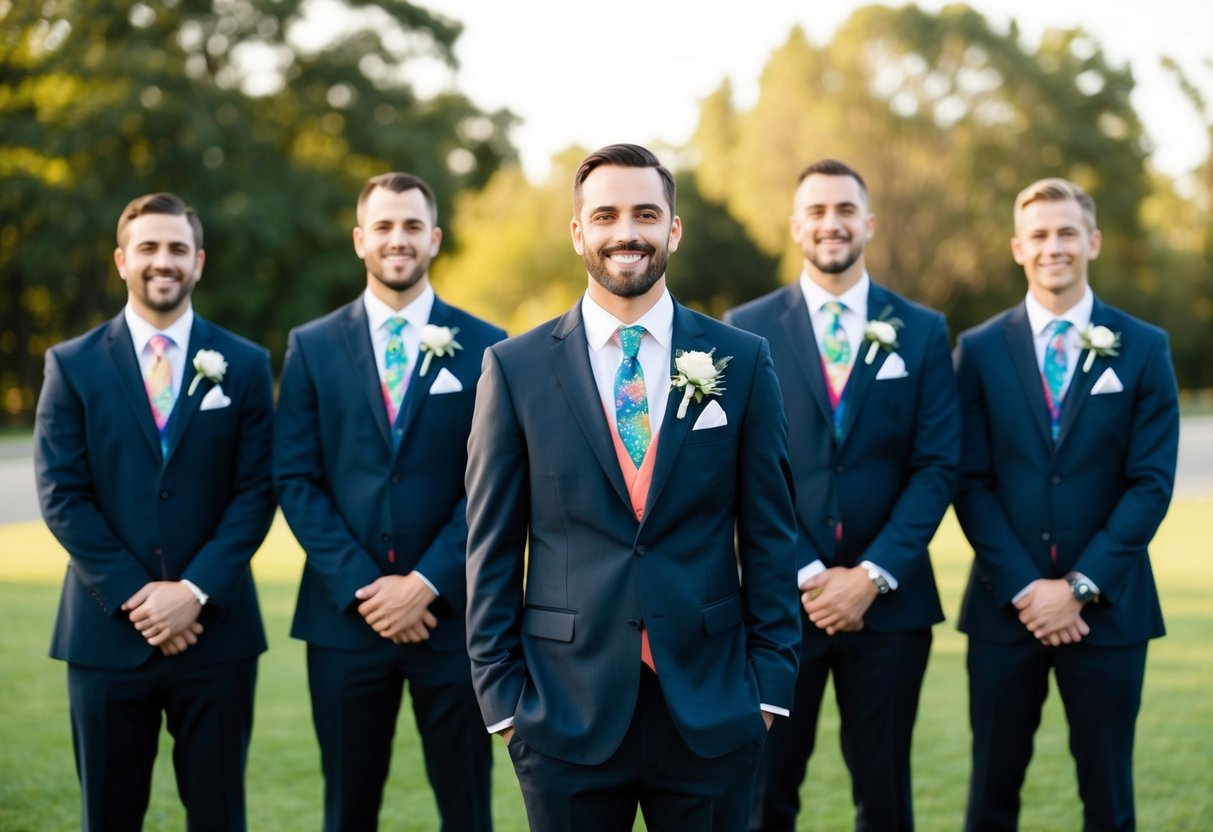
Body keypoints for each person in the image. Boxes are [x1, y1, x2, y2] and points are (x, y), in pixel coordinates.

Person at [464, 143, 800, 832]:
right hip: (562, 711)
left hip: (712, 707)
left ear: (673, 230)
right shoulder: (514, 369)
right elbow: (490, 546)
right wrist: (504, 704)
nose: (627, 232)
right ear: (577, 232)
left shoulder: (740, 360)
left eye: (645, 214)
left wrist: (767, 691)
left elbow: (771, 534)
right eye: (606, 215)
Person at [725, 159, 960, 831]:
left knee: (885, 796)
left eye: (845, 210)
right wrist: (806, 572)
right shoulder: (745, 326)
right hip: (777, 605)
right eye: (818, 211)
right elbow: (739, 469)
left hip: (891, 608)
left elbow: (937, 465)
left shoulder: (920, 329)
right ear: (796, 226)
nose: (832, 223)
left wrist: (870, 576)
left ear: (869, 223)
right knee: (764, 793)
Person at [33, 192, 275, 831]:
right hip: (105, 634)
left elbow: (257, 491)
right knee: (109, 817)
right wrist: (141, 597)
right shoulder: (72, 365)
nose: (162, 260)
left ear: (198, 261)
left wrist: (193, 593)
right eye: (147, 247)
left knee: (219, 817)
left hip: (216, 636)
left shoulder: (247, 365)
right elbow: (61, 493)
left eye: (176, 248)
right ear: (122, 260)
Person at [274, 171, 503, 832]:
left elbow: (493, 482)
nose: (396, 239)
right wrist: (367, 588)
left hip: (453, 620)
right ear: (359, 240)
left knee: (468, 809)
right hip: (345, 621)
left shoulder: (487, 345)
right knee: (348, 809)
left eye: (411, 226)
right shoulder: (312, 346)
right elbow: (295, 478)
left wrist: (426, 582)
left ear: (434, 239)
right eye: (383, 226)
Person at [953, 178, 1179, 831]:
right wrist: (1029, 590)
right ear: (1017, 248)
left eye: (1067, 233)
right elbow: (968, 480)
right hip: (1004, 610)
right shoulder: (978, 349)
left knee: (1108, 799)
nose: (1053, 246)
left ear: (1093, 241)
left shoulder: (1144, 346)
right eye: (1040, 235)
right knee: (990, 795)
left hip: (1109, 612)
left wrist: (1079, 587)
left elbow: (1150, 483)